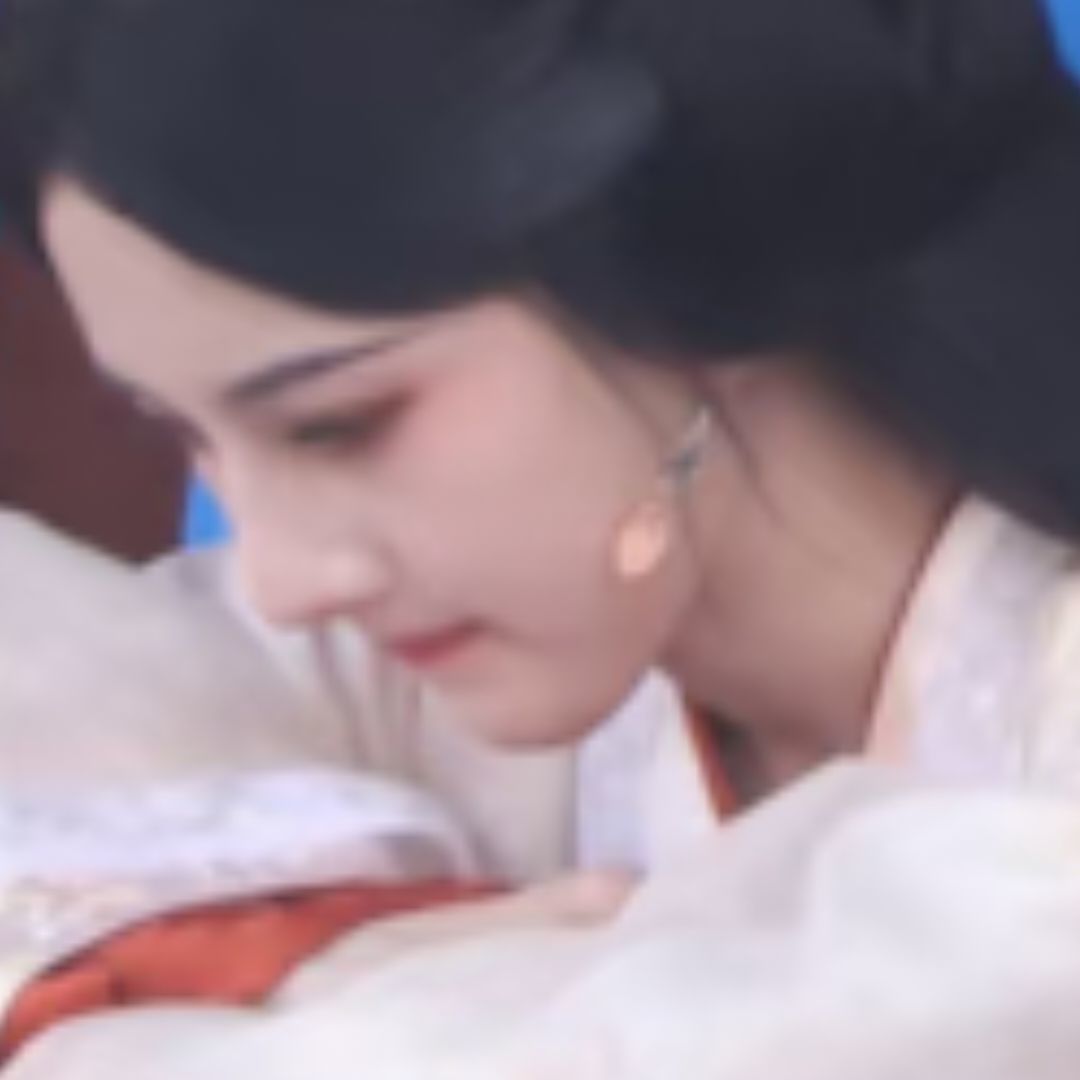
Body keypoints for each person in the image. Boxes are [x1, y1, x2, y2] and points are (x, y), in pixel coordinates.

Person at [3, 0, 1080, 1074]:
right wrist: (288, 948)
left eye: (339, 425)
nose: (281, 578)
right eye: (186, 436)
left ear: (681, 264)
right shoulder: (418, 675)